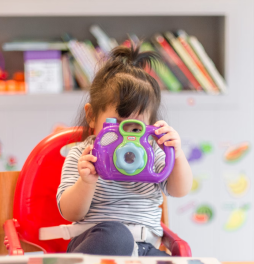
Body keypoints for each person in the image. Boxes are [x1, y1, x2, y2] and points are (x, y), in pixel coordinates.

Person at [56, 42, 193, 256]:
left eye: (135, 127)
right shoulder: (84, 155)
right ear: (92, 116)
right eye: (117, 124)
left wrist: (176, 153)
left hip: (145, 249)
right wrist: (86, 182)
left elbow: (179, 190)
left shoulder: (152, 153)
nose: (125, 137)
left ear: (150, 125)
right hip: (98, 244)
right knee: (117, 236)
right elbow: (69, 211)